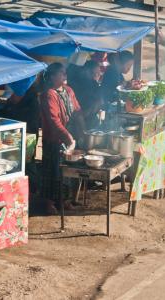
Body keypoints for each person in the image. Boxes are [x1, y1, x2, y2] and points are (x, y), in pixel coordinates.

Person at [40, 62, 85, 215]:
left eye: (65, 72)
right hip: (54, 140)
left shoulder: (69, 90)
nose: (65, 75)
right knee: (53, 173)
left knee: (67, 173)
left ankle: (64, 201)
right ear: (52, 76)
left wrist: (83, 129)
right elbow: (54, 120)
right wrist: (67, 137)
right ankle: (49, 204)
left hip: (69, 139)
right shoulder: (49, 94)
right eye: (61, 73)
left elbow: (78, 110)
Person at [69, 60, 103, 130]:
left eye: (98, 73)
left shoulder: (93, 84)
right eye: (95, 73)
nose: (97, 75)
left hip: (86, 118)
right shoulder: (78, 84)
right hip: (78, 119)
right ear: (87, 71)